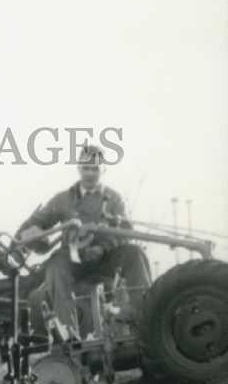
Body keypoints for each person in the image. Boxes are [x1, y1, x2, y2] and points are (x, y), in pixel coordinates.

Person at [17, 143, 150, 341]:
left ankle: (147, 318)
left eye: (95, 169)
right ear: (79, 168)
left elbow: (125, 231)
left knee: (135, 254)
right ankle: (68, 334)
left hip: (106, 260)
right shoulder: (62, 199)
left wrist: (103, 247)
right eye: (86, 168)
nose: (90, 174)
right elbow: (36, 223)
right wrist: (30, 234)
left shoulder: (114, 199)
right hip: (73, 262)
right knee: (55, 265)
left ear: (103, 169)